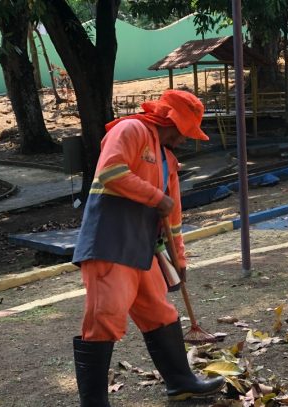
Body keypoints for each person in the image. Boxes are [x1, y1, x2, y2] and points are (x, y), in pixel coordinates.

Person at [71, 90, 225, 405]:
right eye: (184, 131)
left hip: (145, 249)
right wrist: (157, 197)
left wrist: (179, 259)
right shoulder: (130, 130)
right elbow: (110, 172)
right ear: (171, 120)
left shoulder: (168, 159)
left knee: (160, 312)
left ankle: (181, 382)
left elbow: (175, 218)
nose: (185, 139)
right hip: (110, 243)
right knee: (106, 316)